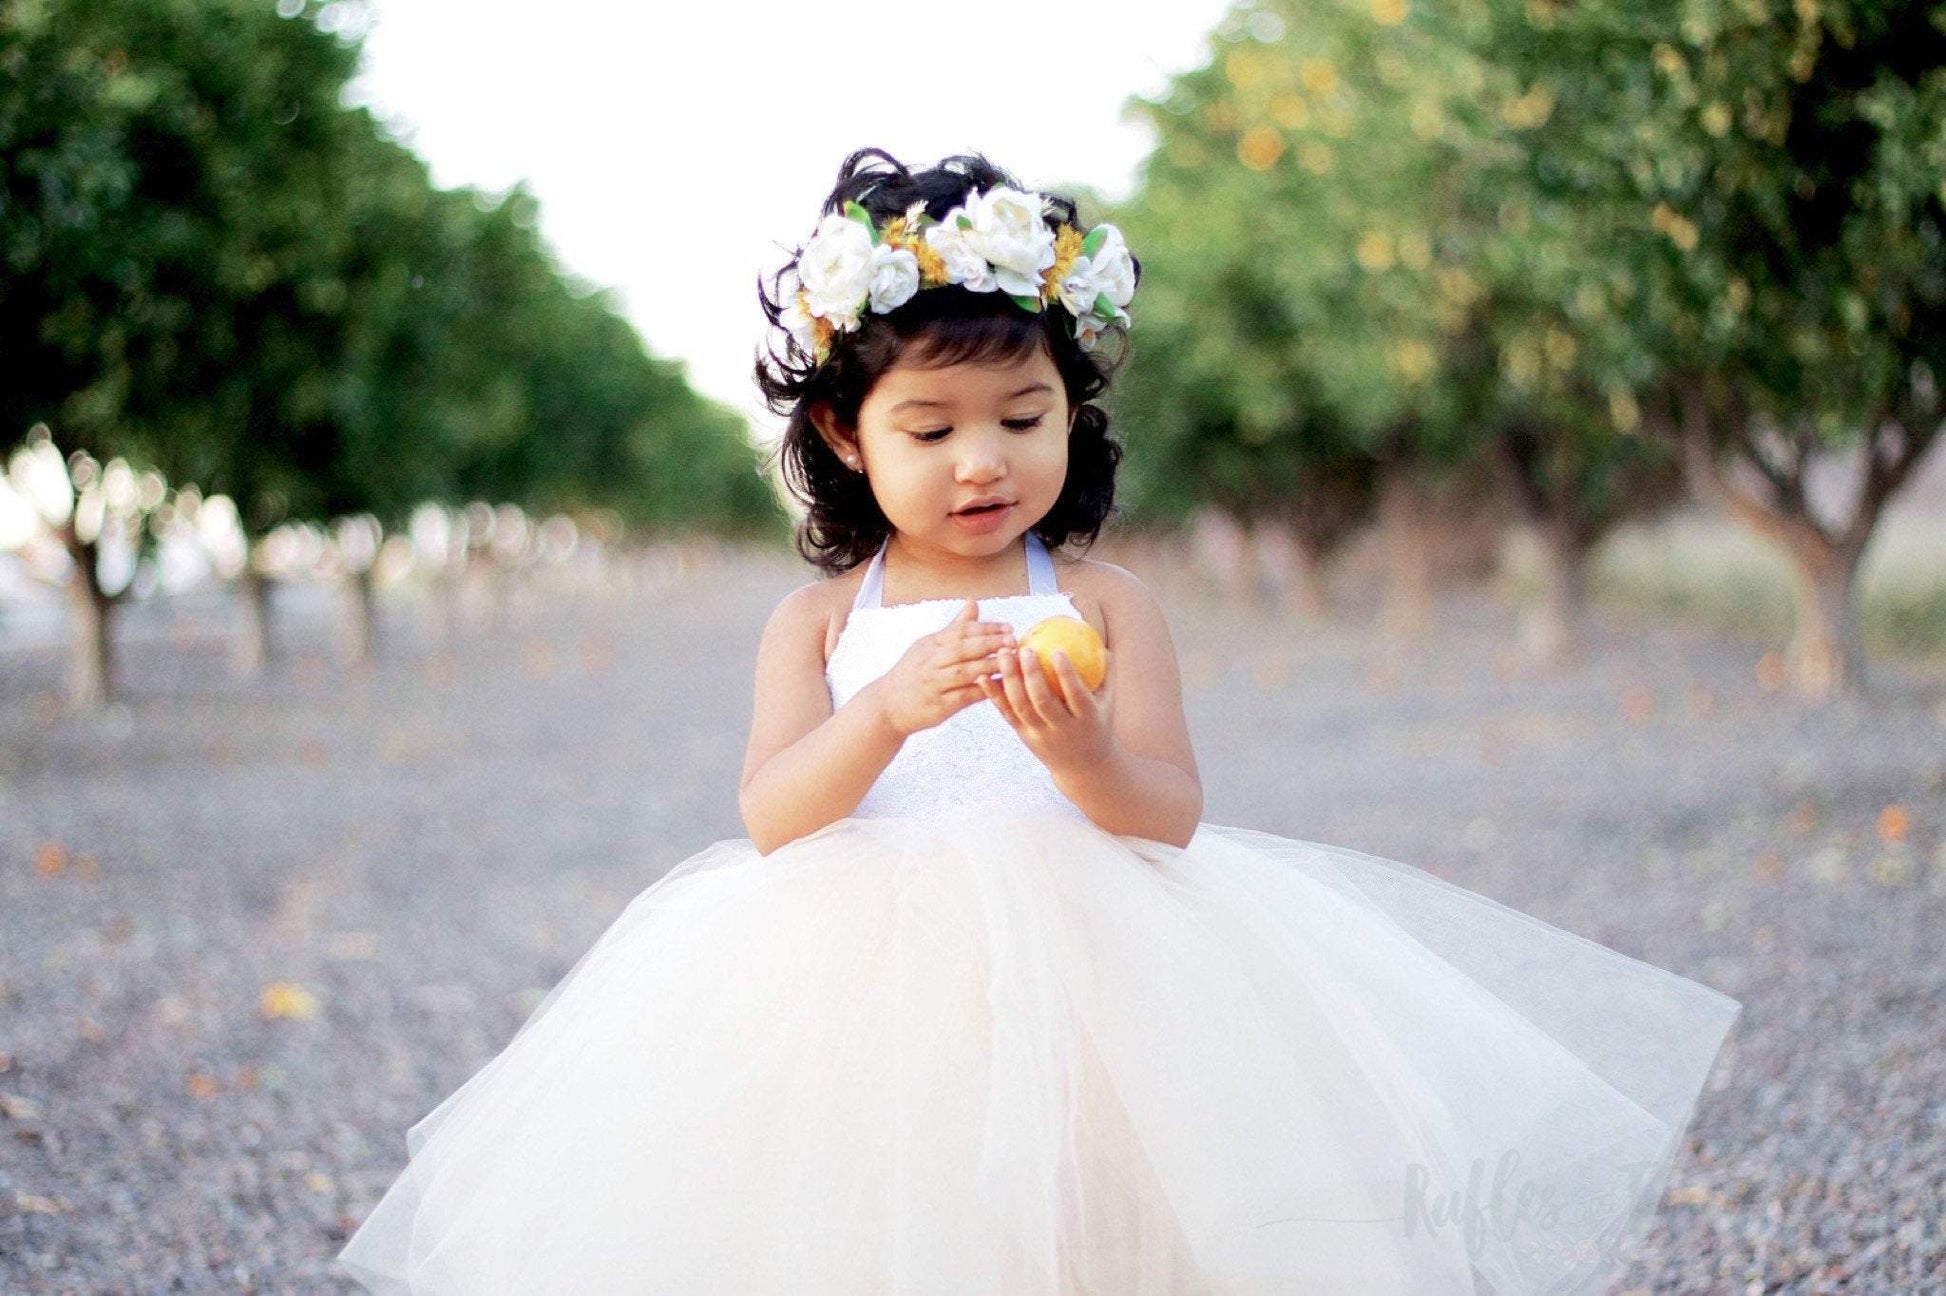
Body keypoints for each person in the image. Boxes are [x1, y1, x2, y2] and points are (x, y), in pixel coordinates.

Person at [336, 148, 1741, 1295]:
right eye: (929, 429)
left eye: (1021, 416)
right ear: (842, 436)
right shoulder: (819, 624)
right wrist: (886, 710)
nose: (982, 461)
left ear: (1071, 413)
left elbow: (1168, 814)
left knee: (1109, 1215)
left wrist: (1076, 753)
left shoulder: (1110, 605)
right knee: (889, 1217)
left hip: (1098, 962)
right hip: (852, 980)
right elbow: (772, 815)